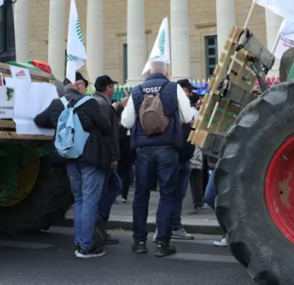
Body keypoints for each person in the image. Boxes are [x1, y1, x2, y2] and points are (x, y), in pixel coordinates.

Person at [34, 72, 114, 259]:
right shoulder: (89, 103)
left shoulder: (57, 104)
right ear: (78, 85)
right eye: (84, 84)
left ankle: (80, 242)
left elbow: (39, 120)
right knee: (89, 201)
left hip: (69, 157)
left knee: (78, 200)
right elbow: (106, 127)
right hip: (91, 157)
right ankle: (86, 246)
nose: (86, 88)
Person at [121, 60, 194, 257]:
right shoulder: (173, 88)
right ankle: (162, 243)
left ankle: (139, 242)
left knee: (141, 196)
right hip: (167, 148)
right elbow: (187, 117)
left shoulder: (137, 90)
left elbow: (126, 122)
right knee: (167, 195)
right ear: (166, 73)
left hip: (143, 150)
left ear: (149, 73)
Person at [154, 79, 196, 241]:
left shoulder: (186, 111)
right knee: (168, 195)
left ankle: (174, 225)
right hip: (173, 157)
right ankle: (162, 228)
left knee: (178, 196)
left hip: (185, 157)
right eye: (188, 91)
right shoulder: (170, 108)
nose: (190, 94)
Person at [93, 75, 125, 245]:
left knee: (112, 186)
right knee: (111, 187)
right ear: (108, 87)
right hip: (106, 156)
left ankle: (99, 223)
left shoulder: (98, 102)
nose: (113, 89)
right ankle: (99, 220)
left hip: (102, 155)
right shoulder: (103, 104)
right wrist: (112, 157)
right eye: (112, 86)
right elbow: (106, 133)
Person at [204, 152, 227, 247]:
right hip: (215, 161)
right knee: (210, 197)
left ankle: (229, 232)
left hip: (227, 160)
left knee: (211, 196)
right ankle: (228, 230)